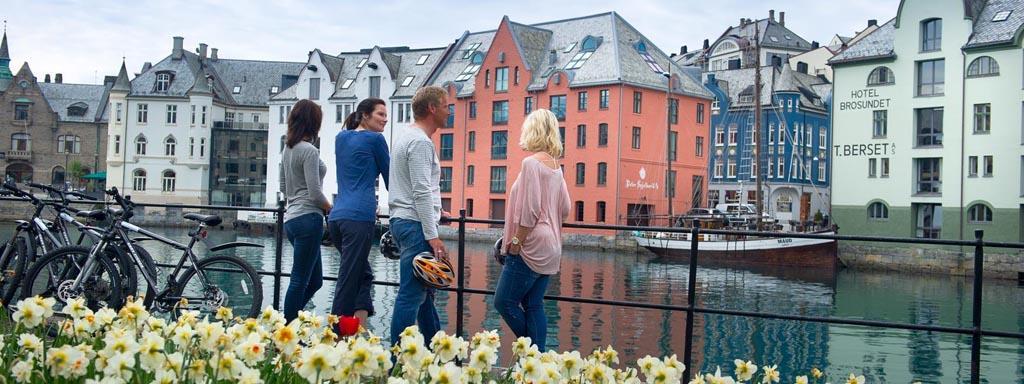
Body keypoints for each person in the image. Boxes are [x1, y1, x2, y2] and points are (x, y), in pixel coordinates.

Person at [494, 109, 571, 351]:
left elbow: (530, 211)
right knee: (534, 305)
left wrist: (516, 242)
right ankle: (539, 362)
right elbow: (566, 208)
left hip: (531, 244)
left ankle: (533, 353)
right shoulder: (556, 167)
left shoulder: (530, 164)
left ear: (533, 130)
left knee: (503, 302)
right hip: (552, 245)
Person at [388, 86, 450, 345]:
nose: (449, 110)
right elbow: (421, 191)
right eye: (446, 105)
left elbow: (414, 187)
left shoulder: (406, 137)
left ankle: (438, 351)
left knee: (424, 294)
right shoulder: (421, 143)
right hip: (414, 225)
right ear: (432, 108)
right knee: (411, 295)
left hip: (404, 220)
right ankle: (394, 360)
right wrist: (432, 235)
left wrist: (436, 212)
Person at [328, 98, 390, 333]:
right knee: (347, 281)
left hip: (336, 218)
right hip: (359, 218)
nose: (385, 119)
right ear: (365, 115)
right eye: (380, 114)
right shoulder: (376, 139)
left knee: (362, 275)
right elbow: (390, 179)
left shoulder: (341, 138)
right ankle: (335, 340)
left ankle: (357, 334)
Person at [280, 99, 330, 322]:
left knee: (314, 280)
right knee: (300, 279)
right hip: (309, 218)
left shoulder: (288, 149)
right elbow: (315, 194)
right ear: (314, 122)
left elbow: (283, 187)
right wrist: (332, 208)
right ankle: (286, 330)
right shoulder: (309, 151)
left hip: (291, 220)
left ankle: (288, 322)